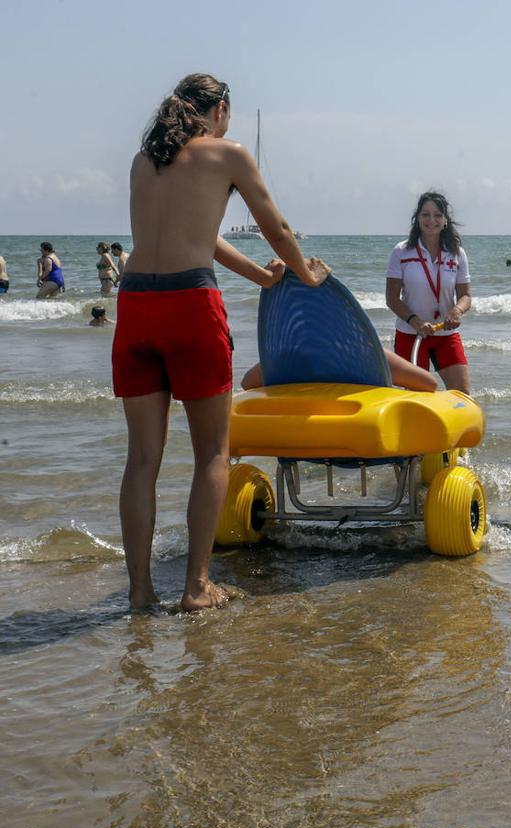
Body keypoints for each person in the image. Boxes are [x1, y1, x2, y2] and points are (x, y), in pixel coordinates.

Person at [115, 72, 329, 611]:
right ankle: (196, 588)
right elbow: (277, 227)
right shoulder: (228, 154)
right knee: (213, 452)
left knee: (142, 458)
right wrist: (305, 276)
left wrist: (261, 277)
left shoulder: (146, 161)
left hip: (136, 303)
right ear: (221, 110)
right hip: (190, 305)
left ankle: (140, 594)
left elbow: (197, 234)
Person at [385, 192, 473, 393]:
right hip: (411, 334)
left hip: (445, 333)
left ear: (445, 221)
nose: (431, 220)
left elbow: (466, 295)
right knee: (417, 400)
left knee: (463, 395)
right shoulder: (401, 251)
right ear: (417, 219)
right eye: (426, 214)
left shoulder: (457, 253)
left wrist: (457, 311)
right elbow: (391, 299)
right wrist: (415, 321)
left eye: (437, 215)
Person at [239, 342, 437, 391]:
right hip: (365, 442)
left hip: (298, 444)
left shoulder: (287, 358)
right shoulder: (366, 353)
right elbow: (428, 384)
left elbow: (247, 383)